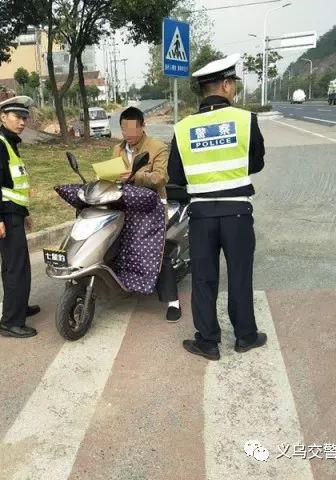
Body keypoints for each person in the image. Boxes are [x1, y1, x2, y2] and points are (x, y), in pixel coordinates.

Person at [168, 54, 267, 360]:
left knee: (203, 278)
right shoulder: (245, 120)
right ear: (225, 85)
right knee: (239, 275)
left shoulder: (182, 128)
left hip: (201, 217)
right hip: (237, 213)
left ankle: (208, 342)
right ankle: (245, 337)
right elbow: (257, 162)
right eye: (232, 84)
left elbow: (176, 177)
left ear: (203, 89)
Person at [0, 96, 40, 338]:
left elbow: (14, 185)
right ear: (3, 117)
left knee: (17, 266)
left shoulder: (9, 143)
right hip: (4, 215)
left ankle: (19, 307)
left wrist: (24, 213)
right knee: (16, 268)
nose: (22, 122)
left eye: (24, 117)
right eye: (17, 117)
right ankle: (11, 322)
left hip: (13, 214)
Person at [113, 107, 181, 322]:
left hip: (152, 204)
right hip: (126, 202)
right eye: (124, 129)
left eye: (132, 129)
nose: (128, 134)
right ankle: (127, 282)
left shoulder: (157, 147)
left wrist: (134, 177)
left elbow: (160, 177)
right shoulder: (117, 149)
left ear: (143, 126)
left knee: (158, 251)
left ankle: (173, 301)